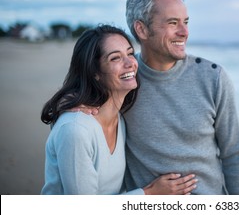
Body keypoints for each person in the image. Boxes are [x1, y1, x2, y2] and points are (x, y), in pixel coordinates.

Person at [123, 0, 239, 194]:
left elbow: (234, 155)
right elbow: (77, 108)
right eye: (173, 23)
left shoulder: (213, 78)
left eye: (186, 22)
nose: (185, 32)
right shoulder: (123, 78)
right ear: (142, 30)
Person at [40, 24, 197, 195]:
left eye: (130, 53)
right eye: (115, 58)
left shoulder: (120, 119)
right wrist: (149, 193)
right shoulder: (76, 130)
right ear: (94, 71)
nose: (130, 63)